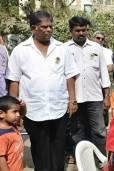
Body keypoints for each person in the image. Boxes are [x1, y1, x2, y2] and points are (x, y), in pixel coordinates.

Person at [6, 11, 79, 171]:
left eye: (50, 26)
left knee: (59, 149)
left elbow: (70, 76)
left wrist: (72, 100)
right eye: (44, 27)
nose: (49, 30)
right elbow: (14, 81)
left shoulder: (62, 48)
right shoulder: (20, 50)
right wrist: (13, 109)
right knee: (40, 150)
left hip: (59, 108)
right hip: (33, 110)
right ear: (33, 28)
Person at [65, 16, 111, 156]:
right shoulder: (64, 48)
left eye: (84, 30)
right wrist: (69, 100)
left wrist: (107, 97)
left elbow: (104, 73)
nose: (81, 33)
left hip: (95, 98)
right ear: (71, 31)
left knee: (99, 131)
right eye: (77, 30)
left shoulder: (96, 47)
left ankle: (101, 160)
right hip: (75, 99)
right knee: (77, 131)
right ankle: (82, 161)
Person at [92, 31, 113, 127]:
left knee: (103, 113)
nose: (100, 40)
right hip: (89, 87)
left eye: (102, 39)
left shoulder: (107, 52)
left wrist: (94, 71)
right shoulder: (86, 49)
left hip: (102, 88)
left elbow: (111, 67)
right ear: (93, 38)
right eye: (98, 38)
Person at [0, 96, 23, 171]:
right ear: (1, 114)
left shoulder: (12, 125)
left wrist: (23, 107)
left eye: (19, 111)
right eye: (15, 111)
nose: (18, 114)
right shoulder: (2, 135)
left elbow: (22, 116)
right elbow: (1, 160)